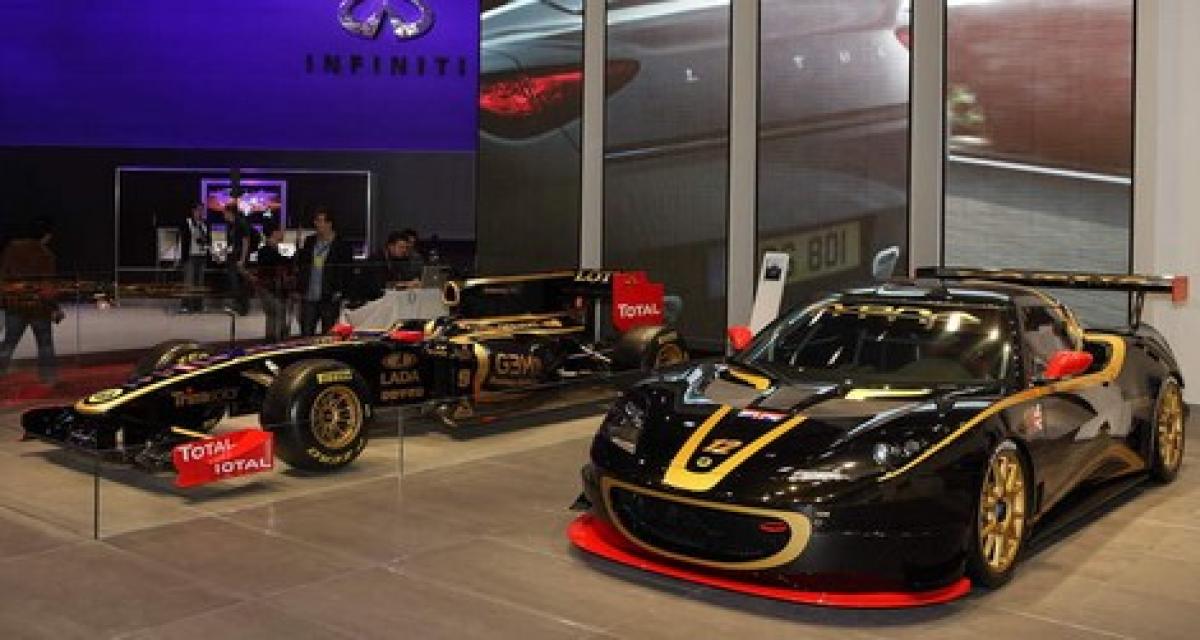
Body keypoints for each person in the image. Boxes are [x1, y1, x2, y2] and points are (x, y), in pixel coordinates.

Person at [0, 217, 63, 385]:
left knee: (9, 343)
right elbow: (47, 287)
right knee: (45, 345)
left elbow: (3, 277)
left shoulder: (11, 249)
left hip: (15, 305)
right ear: (46, 235)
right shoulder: (46, 255)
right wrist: (55, 308)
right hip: (39, 307)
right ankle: (48, 379)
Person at [295, 208, 354, 336]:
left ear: (329, 223)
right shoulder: (310, 241)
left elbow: (346, 271)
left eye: (320, 221)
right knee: (306, 333)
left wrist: (340, 291)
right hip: (309, 296)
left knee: (328, 334)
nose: (317, 224)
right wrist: (298, 248)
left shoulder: (341, 245)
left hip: (329, 297)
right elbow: (302, 265)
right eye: (316, 221)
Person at [253, 221, 293, 342]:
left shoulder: (270, 250)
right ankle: (276, 341)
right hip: (270, 289)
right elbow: (280, 264)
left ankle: (270, 340)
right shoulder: (267, 251)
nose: (282, 234)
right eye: (280, 231)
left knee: (272, 316)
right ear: (274, 233)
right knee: (277, 313)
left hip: (269, 288)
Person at [222, 201, 253, 315]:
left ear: (230, 212)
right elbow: (231, 243)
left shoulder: (241, 223)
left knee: (240, 283)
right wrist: (223, 252)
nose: (224, 215)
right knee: (234, 283)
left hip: (239, 258)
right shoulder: (230, 225)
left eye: (225, 212)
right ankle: (238, 306)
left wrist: (242, 259)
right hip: (232, 257)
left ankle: (243, 308)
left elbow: (246, 242)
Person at [178, 203, 210, 313]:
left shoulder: (204, 224)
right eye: (198, 210)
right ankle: (185, 305)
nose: (200, 213)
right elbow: (183, 238)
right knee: (189, 281)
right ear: (193, 211)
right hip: (190, 256)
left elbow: (208, 239)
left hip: (202, 256)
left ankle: (198, 305)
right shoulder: (187, 223)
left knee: (200, 282)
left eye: (202, 210)